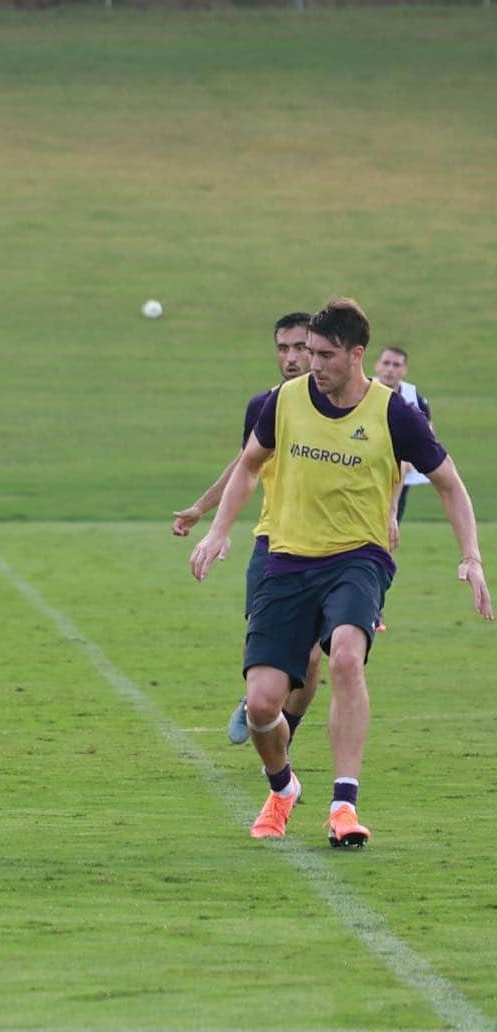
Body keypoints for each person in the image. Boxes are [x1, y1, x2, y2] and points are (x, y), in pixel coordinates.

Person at [189, 298, 492, 847]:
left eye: (325, 354)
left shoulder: (395, 412)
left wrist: (471, 555)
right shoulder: (281, 402)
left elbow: (450, 482)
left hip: (358, 558)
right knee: (262, 704)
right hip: (285, 561)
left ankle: (344, 806)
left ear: (357, 355)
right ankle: (282, 788)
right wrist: (218, 530)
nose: (313, 364)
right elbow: (249, 466)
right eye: (308, 351)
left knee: (347, 655)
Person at [172, 312, 322, 748]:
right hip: (273, 542)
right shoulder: (267, 405)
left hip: (332, 548)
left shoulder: (348, 408)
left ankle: (282, 737)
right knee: (262, 640)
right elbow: (246, 466)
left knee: (311, 657)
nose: (291, 358)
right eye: (283, 348)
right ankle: (256, 701)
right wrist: (204, 510)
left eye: (300, 348)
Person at [374, 345, 433, 522]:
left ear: (404, 370)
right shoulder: (361, 390)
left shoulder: (415, 398)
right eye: (386, 363)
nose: (390, 369)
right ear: (377, 366)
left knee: (391, 527)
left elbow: (427, 435)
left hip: (400, 473)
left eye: (396, 365)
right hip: (368, 466)